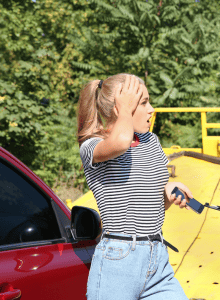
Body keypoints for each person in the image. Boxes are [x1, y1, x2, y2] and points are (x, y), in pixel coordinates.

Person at [77, 74, 191, 300]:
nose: (152, 109)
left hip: (156, 257)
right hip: (118, 258)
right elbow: (120, 142)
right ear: (120, 108)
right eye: (143, 102)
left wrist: (168, 193)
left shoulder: (151, 142)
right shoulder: (92, 146)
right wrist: (126, 110)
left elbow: (151, 204)